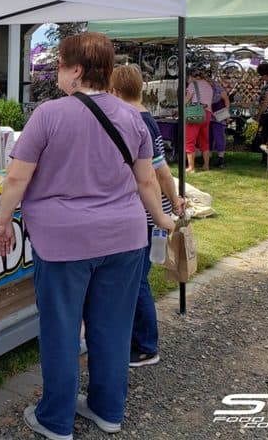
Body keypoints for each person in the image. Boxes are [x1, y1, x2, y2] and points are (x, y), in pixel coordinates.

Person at [0, 32, 174, 440]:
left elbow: (17, 177)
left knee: (61, 329)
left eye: (59, 64)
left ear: (75, 70)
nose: (57, 72)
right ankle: (107, 410)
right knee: (112, 328)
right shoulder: (133, 117)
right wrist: (162, 221)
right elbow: (146, 181)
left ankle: (55, 419)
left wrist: (3, 223)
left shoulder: (48, 115)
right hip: (126, 237)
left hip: (63, 242)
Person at [110, 64, 184, 368]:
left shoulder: (132, 121)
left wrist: (166, 206)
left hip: (144, 212)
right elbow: (162, 171)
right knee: (137, 279)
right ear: (141, 88)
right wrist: (173, 202)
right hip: (154, 211)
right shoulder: (148, 119)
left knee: (136, 281)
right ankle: (137, 340)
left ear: (114, 91)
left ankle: (145, 345)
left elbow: (152, 174)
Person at [184, 67, 214, 173]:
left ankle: (191, 167)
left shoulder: (193, 85)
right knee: (204, 140)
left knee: (189, 140)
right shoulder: (208, 85)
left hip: (195, 114)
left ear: (192, 76)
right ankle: (206, 165)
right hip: (207, 114)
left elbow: (186, 100)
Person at [209, 76, 231, 168]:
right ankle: (208, 158)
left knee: (219, 136)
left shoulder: (217, 87)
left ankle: (220, 158)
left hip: (219, 115)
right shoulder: (204, 87)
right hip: (209, 115)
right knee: (208, 136)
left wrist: (226, 112)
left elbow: (226, 100)